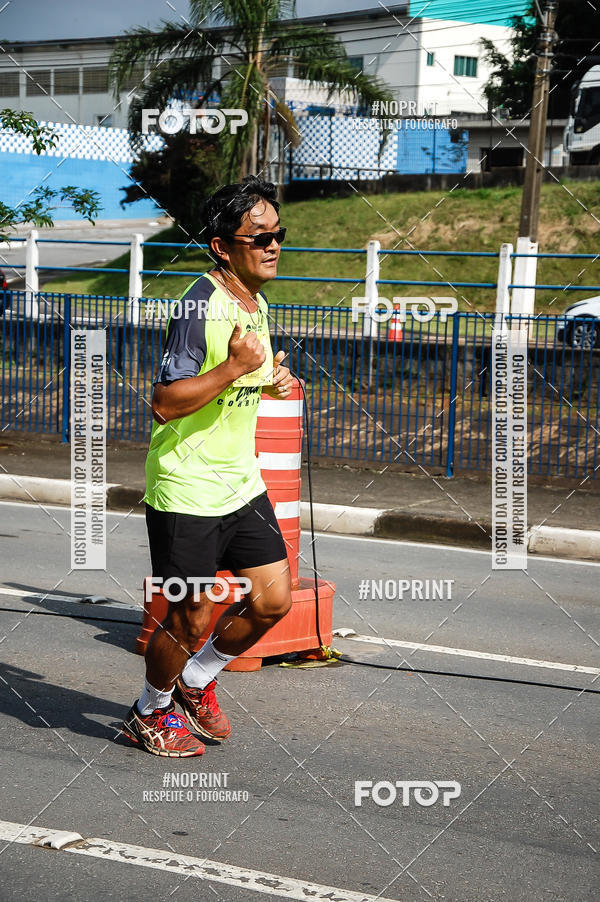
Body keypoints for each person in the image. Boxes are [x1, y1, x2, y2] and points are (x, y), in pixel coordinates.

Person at [121, 175, 294, 757]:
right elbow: (165, 402)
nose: (273, 246)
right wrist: (231, 369)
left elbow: (242, 378)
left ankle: (194, 683)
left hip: (239, 482)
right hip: (187, 488)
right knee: (190, 617)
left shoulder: (257, 301)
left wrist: (269, 381)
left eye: (277, 235)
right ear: (223, 246)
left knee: (273, 599)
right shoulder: (201, 303)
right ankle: (148, 711)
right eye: (259, 237)